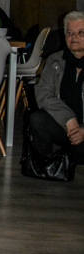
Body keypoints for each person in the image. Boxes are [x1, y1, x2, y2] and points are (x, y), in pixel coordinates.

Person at [29, 11, 84, 165]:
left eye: (81, 32)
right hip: (65, 125)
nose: (74, 37)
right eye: (70, 32)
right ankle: (44, 165)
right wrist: (67, 118)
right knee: (37, 119)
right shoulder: (56, 60)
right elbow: (43, 93)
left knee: (78, 154)